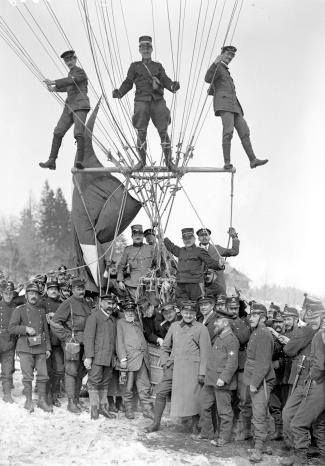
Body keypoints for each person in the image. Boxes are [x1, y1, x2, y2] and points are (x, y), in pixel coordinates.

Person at [112, 35, 180, 171]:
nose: (146, 50)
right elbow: (128, 82)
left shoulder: (157, 66)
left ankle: (169, 162)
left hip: (157, 101)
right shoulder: (135, 66)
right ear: (139, 50)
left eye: (148, 47)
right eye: (143, 47)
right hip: (141, 101)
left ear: (152, 49)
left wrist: (172, 86)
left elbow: (165, 79)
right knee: (141, 132)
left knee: (163, 131)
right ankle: (142, 161)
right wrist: (120, 92)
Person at [144, 300, 211, 433]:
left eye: (191, 313)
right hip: (173, 367)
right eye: (186, 312)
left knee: (192, 396)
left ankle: (195, 426)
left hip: (191, 369)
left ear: (195, 314)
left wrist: (202, 373)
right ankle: (156, 423)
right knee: (161, 392)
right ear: (181, 313)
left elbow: (206, 353)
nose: (188, 315)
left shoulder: (201, 329)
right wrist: (164, 363)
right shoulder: (174, 326)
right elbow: (165, 347)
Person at [205, 45, 268, 170]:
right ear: (222, 54)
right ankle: (227, 162)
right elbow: (207, 78)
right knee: (228, 131)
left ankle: (253, 160)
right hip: (224, 104)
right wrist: (214, 63)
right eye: (228, 54)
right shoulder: (217, 67)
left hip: (235, 106)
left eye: (232, 56)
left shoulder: (225, 70)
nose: (230, 57)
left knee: (245, 132)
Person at [281, 303, 324, 463]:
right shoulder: (316, 331)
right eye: (309, 316)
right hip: (308, 380)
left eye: (314, 317)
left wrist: (313, 374)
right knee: (293, 415)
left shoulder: (313, 332)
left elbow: (289, 350)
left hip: (312, 381)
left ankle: (300, 455)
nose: (310, 320)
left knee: (299, 421)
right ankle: (299, 453)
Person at [40, 50, 90, 170]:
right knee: (58, 131)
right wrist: (54, 89)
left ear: (75, 59)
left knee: (78, 132)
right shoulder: (71, 74)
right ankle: (52, 160)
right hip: (69, 107)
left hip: (80, 105)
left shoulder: (80, 72)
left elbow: (72, 81)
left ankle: (80, 161)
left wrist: (54, 82)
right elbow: (68, 86)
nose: (69, 62)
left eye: (70, 60)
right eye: (66, 61)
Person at [9, 282, 52, 413]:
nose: (34, 296)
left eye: (36, 294)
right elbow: (11, 328)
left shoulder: (41, 311)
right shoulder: (19, 310)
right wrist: (25, 328)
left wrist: (48, 348)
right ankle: (28, 401)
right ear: (26, 295)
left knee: (43, 375)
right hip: (25, 348)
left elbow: (46, 331)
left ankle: (41, 401)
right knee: (27, 376)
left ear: (39, 297)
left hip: (40, 347)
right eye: (31, 293)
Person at [50, 277, 91, 413]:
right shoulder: (68, 303)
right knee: (71, 372)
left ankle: (77, 400)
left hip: (85, 342)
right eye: (78, 289)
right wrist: (67, 337)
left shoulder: (86, 303)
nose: (81, 291)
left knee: (80, 372)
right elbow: (55, 323)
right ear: (72, 290)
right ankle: (70, 403)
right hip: (72, 344)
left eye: (82, 289)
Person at [243, 303, 275, 463]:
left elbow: (263, 363)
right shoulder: (257, 332)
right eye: (251, 315)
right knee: (262, 412)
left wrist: (255, 382)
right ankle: (266, 444)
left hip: (260, 380)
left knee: (259, 414)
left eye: (255, 315)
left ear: (263, 318)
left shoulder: (263, 334)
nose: (251, 318)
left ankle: (258, 448)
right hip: (255, 377)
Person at [199, 316, 239, 444]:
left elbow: (232, 362)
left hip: (221, 382)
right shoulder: (220, 336)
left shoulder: (231, 339)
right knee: (204, 405)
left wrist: (224, 378)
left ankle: (223, 438)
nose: (215, 323)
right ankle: (207, 433)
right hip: (211, 380)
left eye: (218, 321)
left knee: (224, 412)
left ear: (226, 323)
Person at [164, 228, 224, 303]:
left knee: (197, 306)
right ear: (182, 240)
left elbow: (211, 262)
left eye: (190, 238)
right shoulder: (180, 251)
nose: (187, 240)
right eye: (185, 238)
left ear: (194, 239)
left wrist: (219, 264)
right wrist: (163, 237)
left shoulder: (200, 251)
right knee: (181, 306)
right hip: (181, 285)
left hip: (195, 285)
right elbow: (171, 247)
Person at [116, 299, 154, 420]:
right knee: (128, 386)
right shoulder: (120, 323)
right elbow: (119, 341)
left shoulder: (137, 323)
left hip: (142, 359)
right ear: (123, 311)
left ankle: (147, 410)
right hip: (129, 360)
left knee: (144, 386)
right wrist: (122, 358)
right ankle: (128, 409)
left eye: (132, 310)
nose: (130, 313)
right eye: (127, 310)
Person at [83, 294, 117, 420]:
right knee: (94, 383)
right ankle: (94, 409)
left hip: (108, 358)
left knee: (105, 383)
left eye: (113, 304)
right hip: (96, 358)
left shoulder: (113, 320)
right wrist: (88, 357)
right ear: (101, 303)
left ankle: (103, 408)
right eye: (108, 303)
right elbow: (88, 338)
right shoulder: (94, 317)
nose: (111, 306)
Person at [268, 307, 299, 440]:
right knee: (274, 404)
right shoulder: (273, 336)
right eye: (277, 321)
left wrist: (276, 335)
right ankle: (278, 430)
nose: (281, 324)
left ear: (295, 320)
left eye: (285, 320)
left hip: (289, 375)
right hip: (276, 375)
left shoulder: (297, 334)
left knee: (288, 406)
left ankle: (289, 436)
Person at [197, 227, 240, 295]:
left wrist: (234, 236)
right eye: (202, 236)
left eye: (206, 235)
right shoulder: (194, 252)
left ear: (209, 237)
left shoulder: (217, 248)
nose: (204, 237)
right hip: (202, 290)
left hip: (219, 288)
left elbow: (234, 252)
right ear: (198, 238)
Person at [42, 276, 64, 407]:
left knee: (60, 370)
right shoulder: (42, 303)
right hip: (45, 342)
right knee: (47, 370)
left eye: (55, 289)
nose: (53, 291)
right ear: (47, 290)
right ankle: (47, 395)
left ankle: (54, 393)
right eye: (51, 289)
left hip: (58, 342)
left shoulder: (62, 304)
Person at [117, 224, 155, 301]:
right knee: (136, 305)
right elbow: (121, 266)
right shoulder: (127, 250)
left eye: (140, 235)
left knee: (153, 305)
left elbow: (159, 264)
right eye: (135, 235)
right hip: (134, 285)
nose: (138, 237)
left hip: (150, 284)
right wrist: (120, 281)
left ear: (143, 237)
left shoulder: (150, 248)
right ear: (132, 237)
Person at [0, 280, 17, 403]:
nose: (8, 295)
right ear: (1, 293)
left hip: (9, 343)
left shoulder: (16, 308)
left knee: (7, 370)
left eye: (11, 293)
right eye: (6, 293)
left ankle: (7, 394)